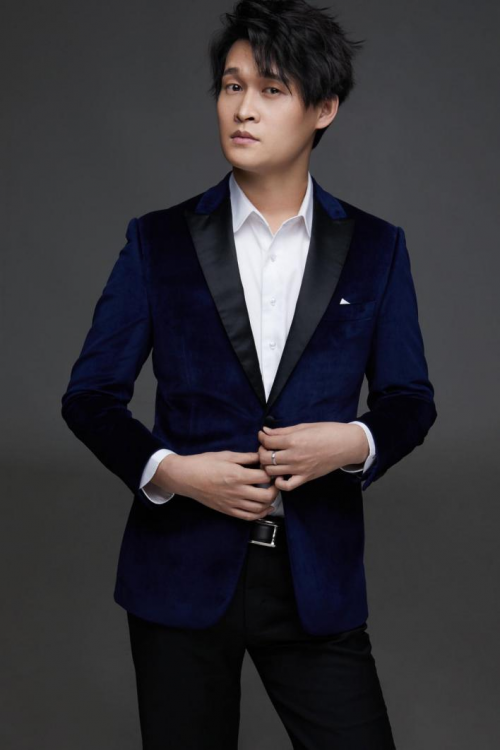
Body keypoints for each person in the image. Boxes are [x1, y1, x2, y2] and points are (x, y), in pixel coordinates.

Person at [61, 1, 437, 747]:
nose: (243, 108)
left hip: (315, 580)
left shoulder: (377, 248)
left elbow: (409, 400)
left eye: (271, 89)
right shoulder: (159, 241)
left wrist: (352, 443)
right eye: (232, 86)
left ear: (323, 108)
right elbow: (90, 397)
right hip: (179, 575)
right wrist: (172, 472)